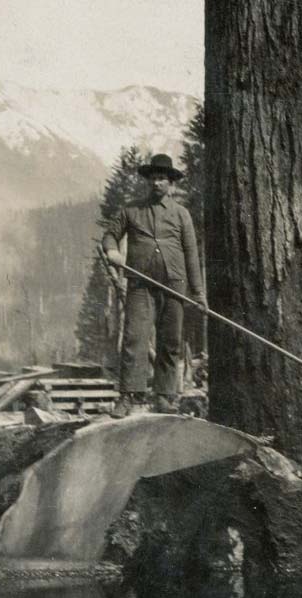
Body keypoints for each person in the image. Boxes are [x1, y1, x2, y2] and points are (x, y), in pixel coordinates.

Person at [102, 153, 206, 417]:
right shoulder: (131, 210)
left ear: (171, 183)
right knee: (135, 338)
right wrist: (112, 251)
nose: (157, 183)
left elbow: (191, 254)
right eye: (154, 178)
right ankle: (128, 396)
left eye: (162, 178)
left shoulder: (181, 215)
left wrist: (198, 292)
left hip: (174, 285)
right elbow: (110, 235)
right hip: (140, 284)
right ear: (148, 181)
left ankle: (165, 396)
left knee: (170, 342)